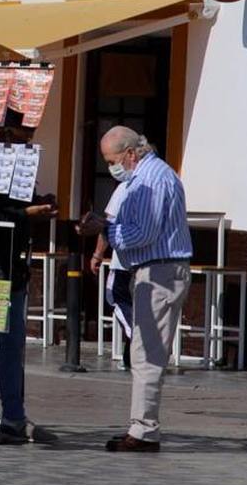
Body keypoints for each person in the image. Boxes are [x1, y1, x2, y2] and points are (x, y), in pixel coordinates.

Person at [78, 126, 192, 453]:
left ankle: (144, 431)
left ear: (130, 153)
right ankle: (141, 427)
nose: (111, 166)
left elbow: (142, 233)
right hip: (152, 269)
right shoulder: (141, 178)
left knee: (146, 354)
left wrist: (105, 229)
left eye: (112, 159)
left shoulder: (152, 180)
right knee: (143, 352)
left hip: (161, 271)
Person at [0, 118, 59, 446]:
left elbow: (18, 206)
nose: (28, 141)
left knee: (13, 344)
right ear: (3, 133)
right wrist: (28, 213)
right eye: (22, 134)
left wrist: (40, 203)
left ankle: (14, 417)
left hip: (13, 266)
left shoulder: (18, 166)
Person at [91, 181, 133, 370]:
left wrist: (98, 254)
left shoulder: (125, 186)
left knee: (115, 296)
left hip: (124, 261)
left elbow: (109, 223)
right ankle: (129, 358)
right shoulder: (164, 184)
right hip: (152, 263)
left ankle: (135, 337)